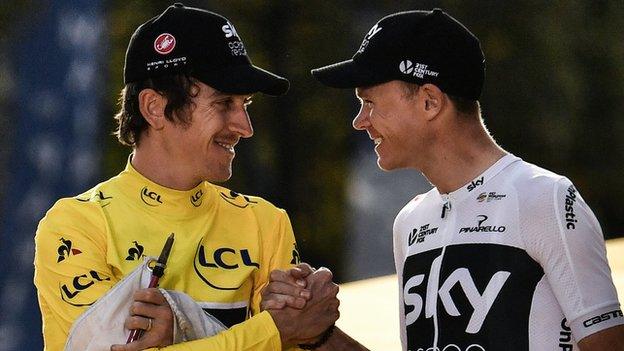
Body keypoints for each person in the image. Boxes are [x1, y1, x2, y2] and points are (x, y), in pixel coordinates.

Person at [262, 8, 624, 351]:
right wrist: (319, 334)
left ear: (430, 102)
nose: (360, 120)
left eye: (369, 102)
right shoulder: (410, 221)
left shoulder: (545, 198)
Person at [33, 4, 338, 351]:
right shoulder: (76, 225)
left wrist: (184, 330)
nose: (245, 127)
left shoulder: (265, 222)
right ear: (154, 108)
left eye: (246, 105)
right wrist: (273, 332)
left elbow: (295, 336)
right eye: (224, 103)